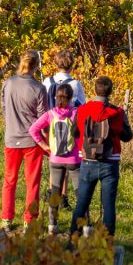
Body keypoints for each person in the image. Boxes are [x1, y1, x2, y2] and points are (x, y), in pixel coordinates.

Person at [69, 76, 132, 238]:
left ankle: (73, 240)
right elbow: (127, 136)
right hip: (109, 163)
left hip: (88, 161)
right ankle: (107, 241)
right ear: (110, 91)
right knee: (108, 205)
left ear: (94, 90)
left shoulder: (83, 110)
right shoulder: (117, 112)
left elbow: (74, 132)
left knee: (82, 203)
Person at [1, 50, 48, 233]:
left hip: (12, 138)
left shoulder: (8, 83)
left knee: (9, 180)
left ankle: (6, 217)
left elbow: (4, 108)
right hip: (31, 141)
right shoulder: (38, 88)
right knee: (32, 182)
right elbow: (42, 118)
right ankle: (30, 219)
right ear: (36, 66)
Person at [28, 82, 81, 235]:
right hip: (74, 160)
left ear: (56, 97)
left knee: (55, 192)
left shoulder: (50, 114)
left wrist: (44, 146)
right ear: (71, 98)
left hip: (55, 158)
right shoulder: (76, 113)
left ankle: (52, 225)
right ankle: (83, 225)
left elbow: (33, 129)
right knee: (80, 194)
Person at [41, 49, 85, 208]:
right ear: (72, 64)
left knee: (54, 159)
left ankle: (52, 192)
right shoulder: (75, 84)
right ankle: (63, 196)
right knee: (66, 157)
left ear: (56, 63)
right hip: (69, 124)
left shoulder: (47, 81)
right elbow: (82, 106)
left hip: (50, 124)